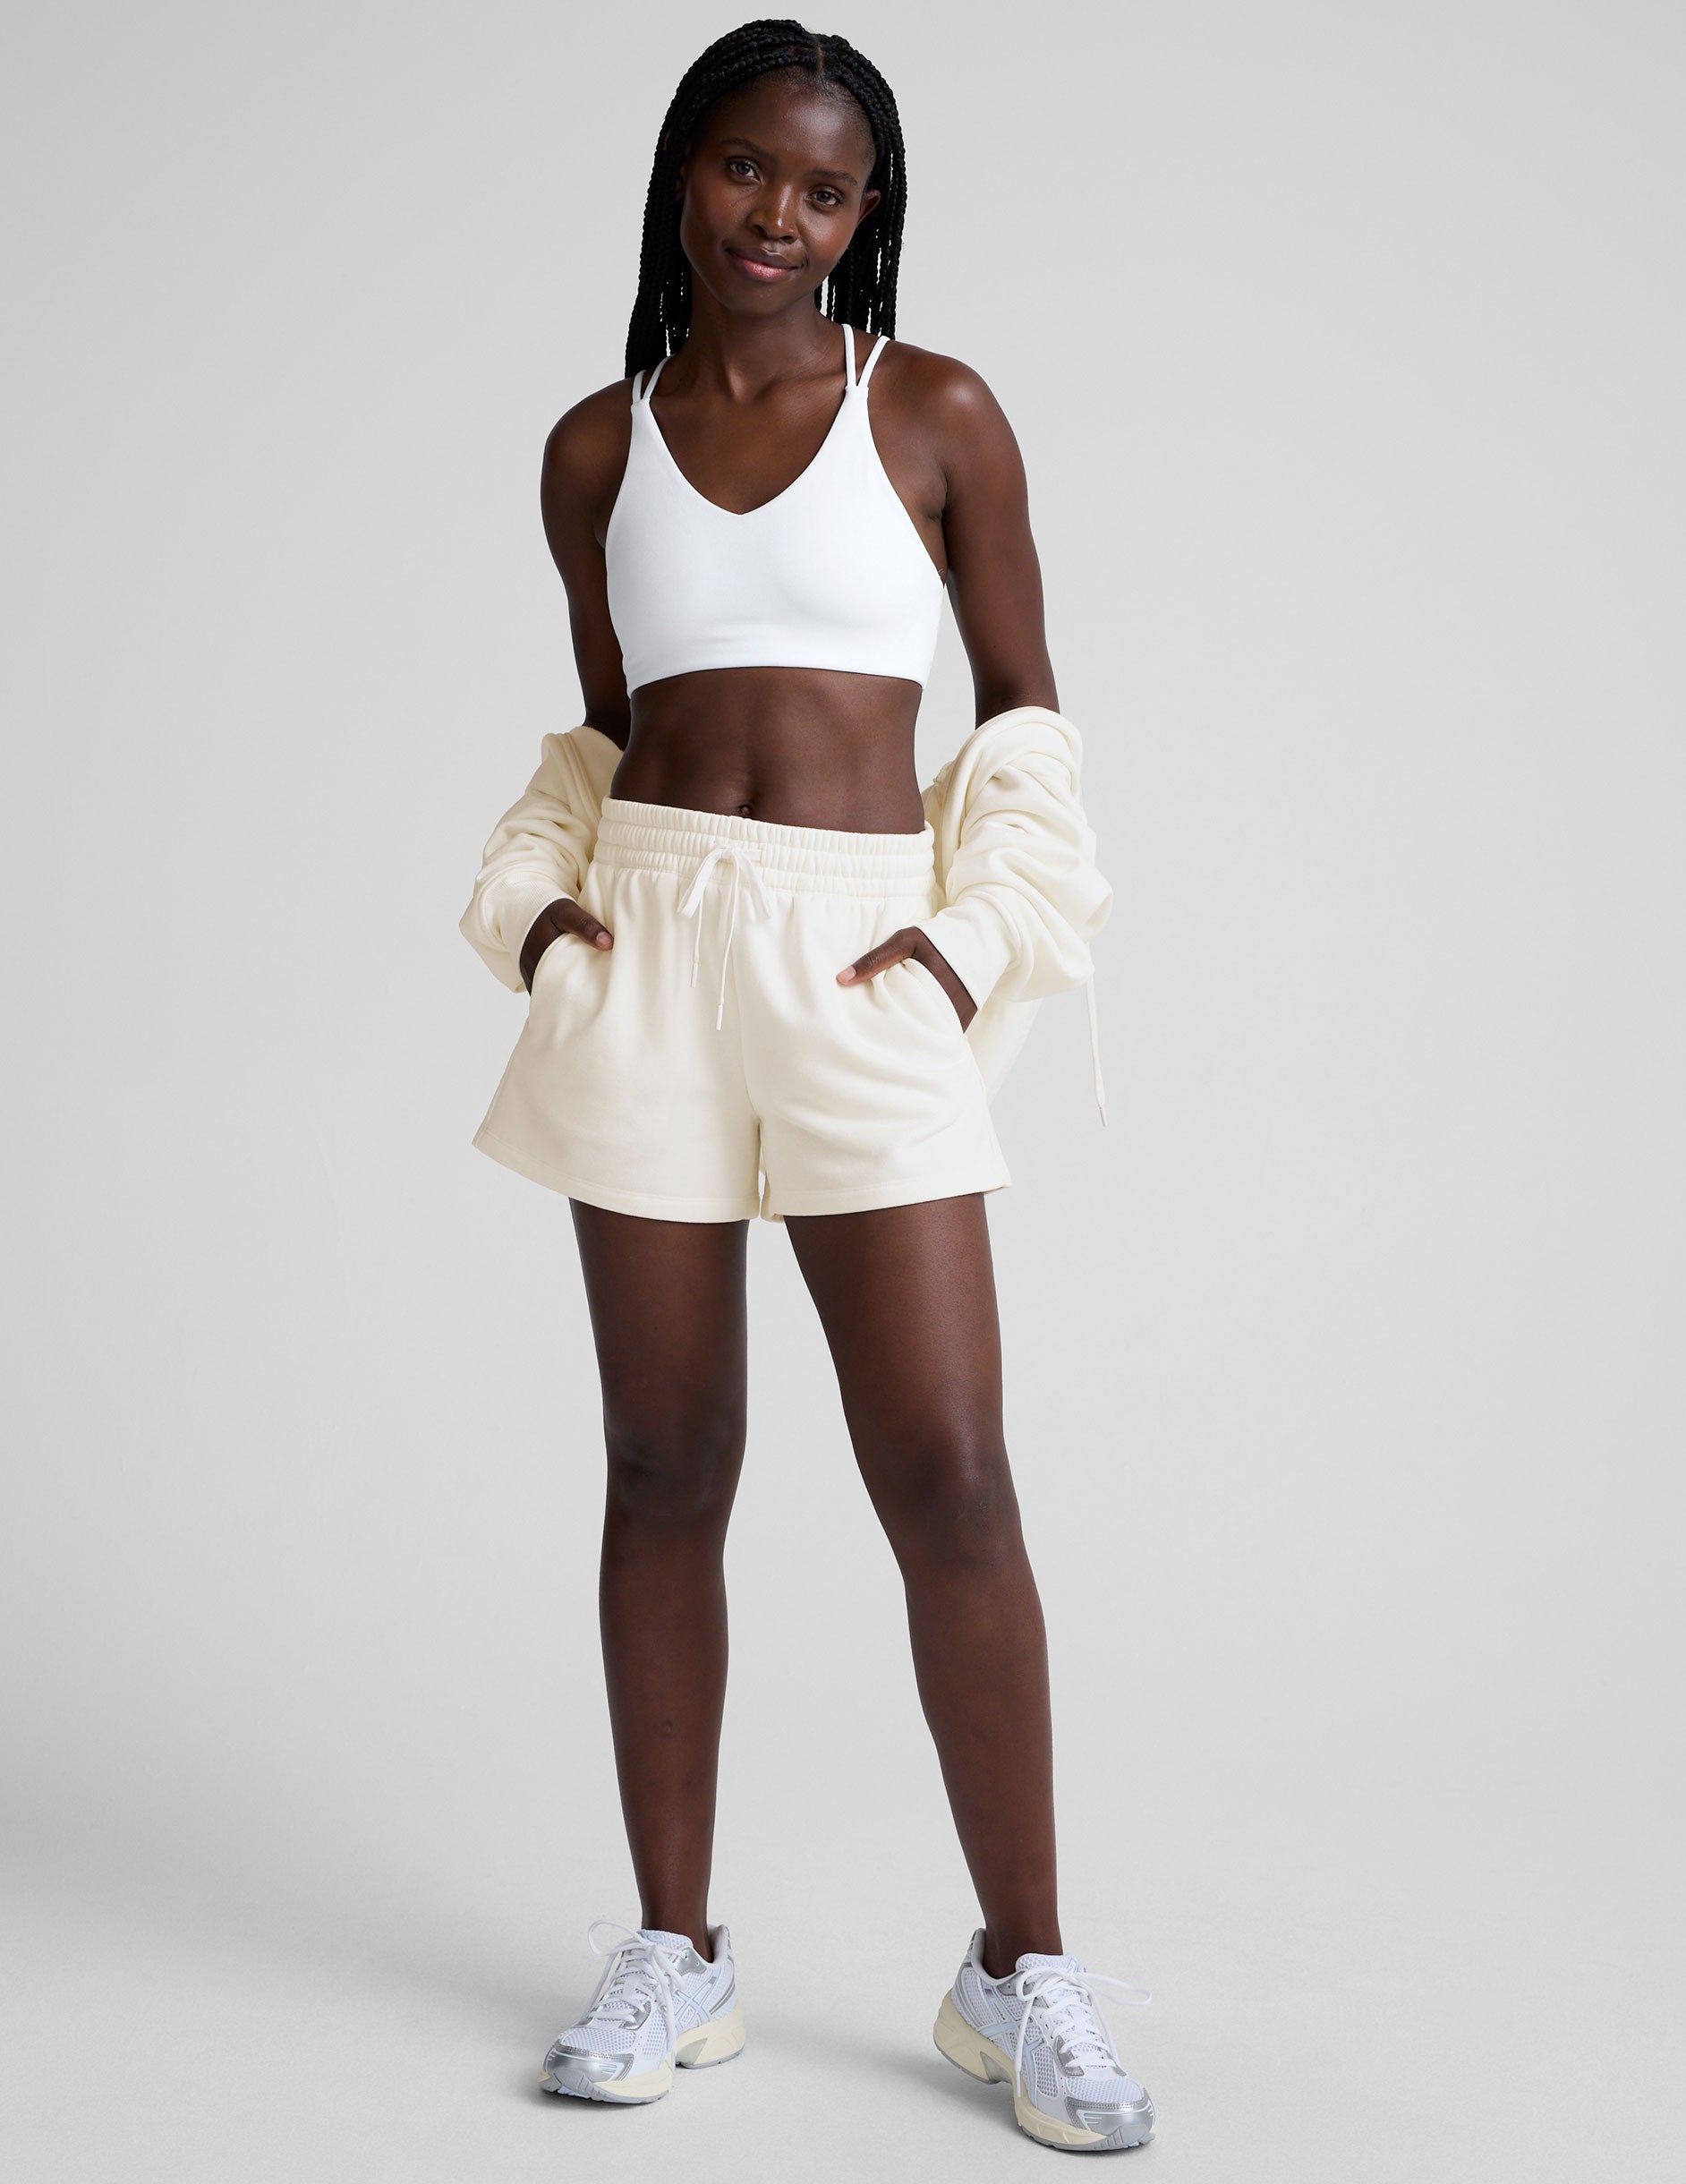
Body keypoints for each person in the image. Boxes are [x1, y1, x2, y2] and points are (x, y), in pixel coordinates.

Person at [457, 19, 1154, 2154]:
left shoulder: (935, 413)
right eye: (747, 168)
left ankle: (1020, 1967)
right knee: (665, 1460)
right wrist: (553, 922)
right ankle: (677, 1943)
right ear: (686, 173)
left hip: (864, 958)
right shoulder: (597, 447)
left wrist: (962, 945)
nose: (779, 215)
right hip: (653, 957)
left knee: (950, 1471)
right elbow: (610, 735)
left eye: (825, 189)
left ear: (869, 216)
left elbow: (1024, 709)